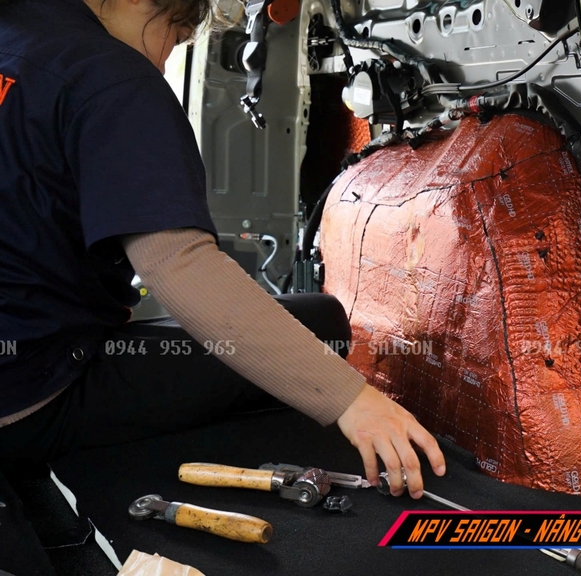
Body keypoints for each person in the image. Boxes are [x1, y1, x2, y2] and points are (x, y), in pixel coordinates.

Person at [0, 0, 445, 541]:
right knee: (325, 324)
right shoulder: (111, 76)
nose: (164, 62)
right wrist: (353, 400)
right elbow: (178, 265)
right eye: (175, 36)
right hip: (32, 398)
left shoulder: (15, 33)